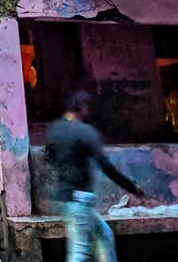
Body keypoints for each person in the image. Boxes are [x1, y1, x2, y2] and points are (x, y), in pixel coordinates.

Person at [46, 91, 143, 262]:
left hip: (65, 197)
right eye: (87, 108)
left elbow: (49, 157)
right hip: (80, 198)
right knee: (80, 252)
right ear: (82, 107)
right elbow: (105, 165)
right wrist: (132, 187)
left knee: (104, 235)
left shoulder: (55, 129)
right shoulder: (85, 132)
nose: (88, 112)